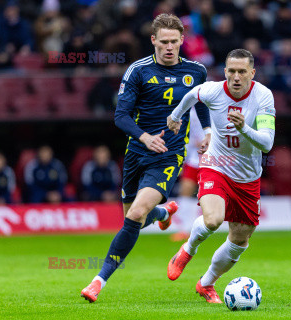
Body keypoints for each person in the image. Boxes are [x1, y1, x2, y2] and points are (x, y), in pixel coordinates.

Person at [80, 14, 212, 303]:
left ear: (182, 41)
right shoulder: (138, 71)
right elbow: (120, 116)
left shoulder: (196, 71)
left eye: (174, 42)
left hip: (169, 155)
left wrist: (208, 131)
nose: (169, 47)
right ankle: (164, 213)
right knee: (133, 217)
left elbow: (200, 103)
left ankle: (97, 281)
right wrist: (144, 137)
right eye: (163, 42)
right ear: (153, 40)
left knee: (135, 215)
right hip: (137, 153)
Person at [166, 49, 276, 304]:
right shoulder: (214, 90)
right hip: (216, 164)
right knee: (213, 220)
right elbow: (191, 94)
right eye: (231, 71)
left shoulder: (263, 96)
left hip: (248, 176)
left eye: (242, 72)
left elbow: (267, 144)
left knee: (240, 239)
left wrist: (243, 128)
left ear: (252, 73)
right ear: (225, 71)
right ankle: (187, 250)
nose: (236, 77)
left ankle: (206, 284)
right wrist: (174, 117)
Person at [171, 108, 204, 242]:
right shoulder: (189, 112)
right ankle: (184, 230)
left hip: (212, 160)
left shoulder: (216, 108)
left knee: (213, 193)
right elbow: (185, 138)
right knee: (185, 192)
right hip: (194, 160)